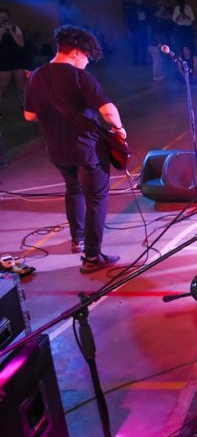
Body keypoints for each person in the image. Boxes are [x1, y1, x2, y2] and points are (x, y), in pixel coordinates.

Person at [23, 26, 124, 272]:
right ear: (77, 53)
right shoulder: (80, 77)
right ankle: (92, 257)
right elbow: (108, 111)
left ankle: (77, 239)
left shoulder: (36, 76)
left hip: (57, 150)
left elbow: (29, 115)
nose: (88, 63)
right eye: (88, 58)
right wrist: (120, 129)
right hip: (86, 149)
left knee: (73, 190)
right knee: (97, 199)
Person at [0, 8, 27, 167]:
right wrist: (2, 32)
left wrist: (10, 31)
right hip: (3, 61)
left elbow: (21, 44)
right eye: (0, 17)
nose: (3, 19)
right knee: (2, 86)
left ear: (9, 18)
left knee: (20, 85)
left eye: (5, 17)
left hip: (17, 60)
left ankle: (24, 106)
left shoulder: (16, 28)